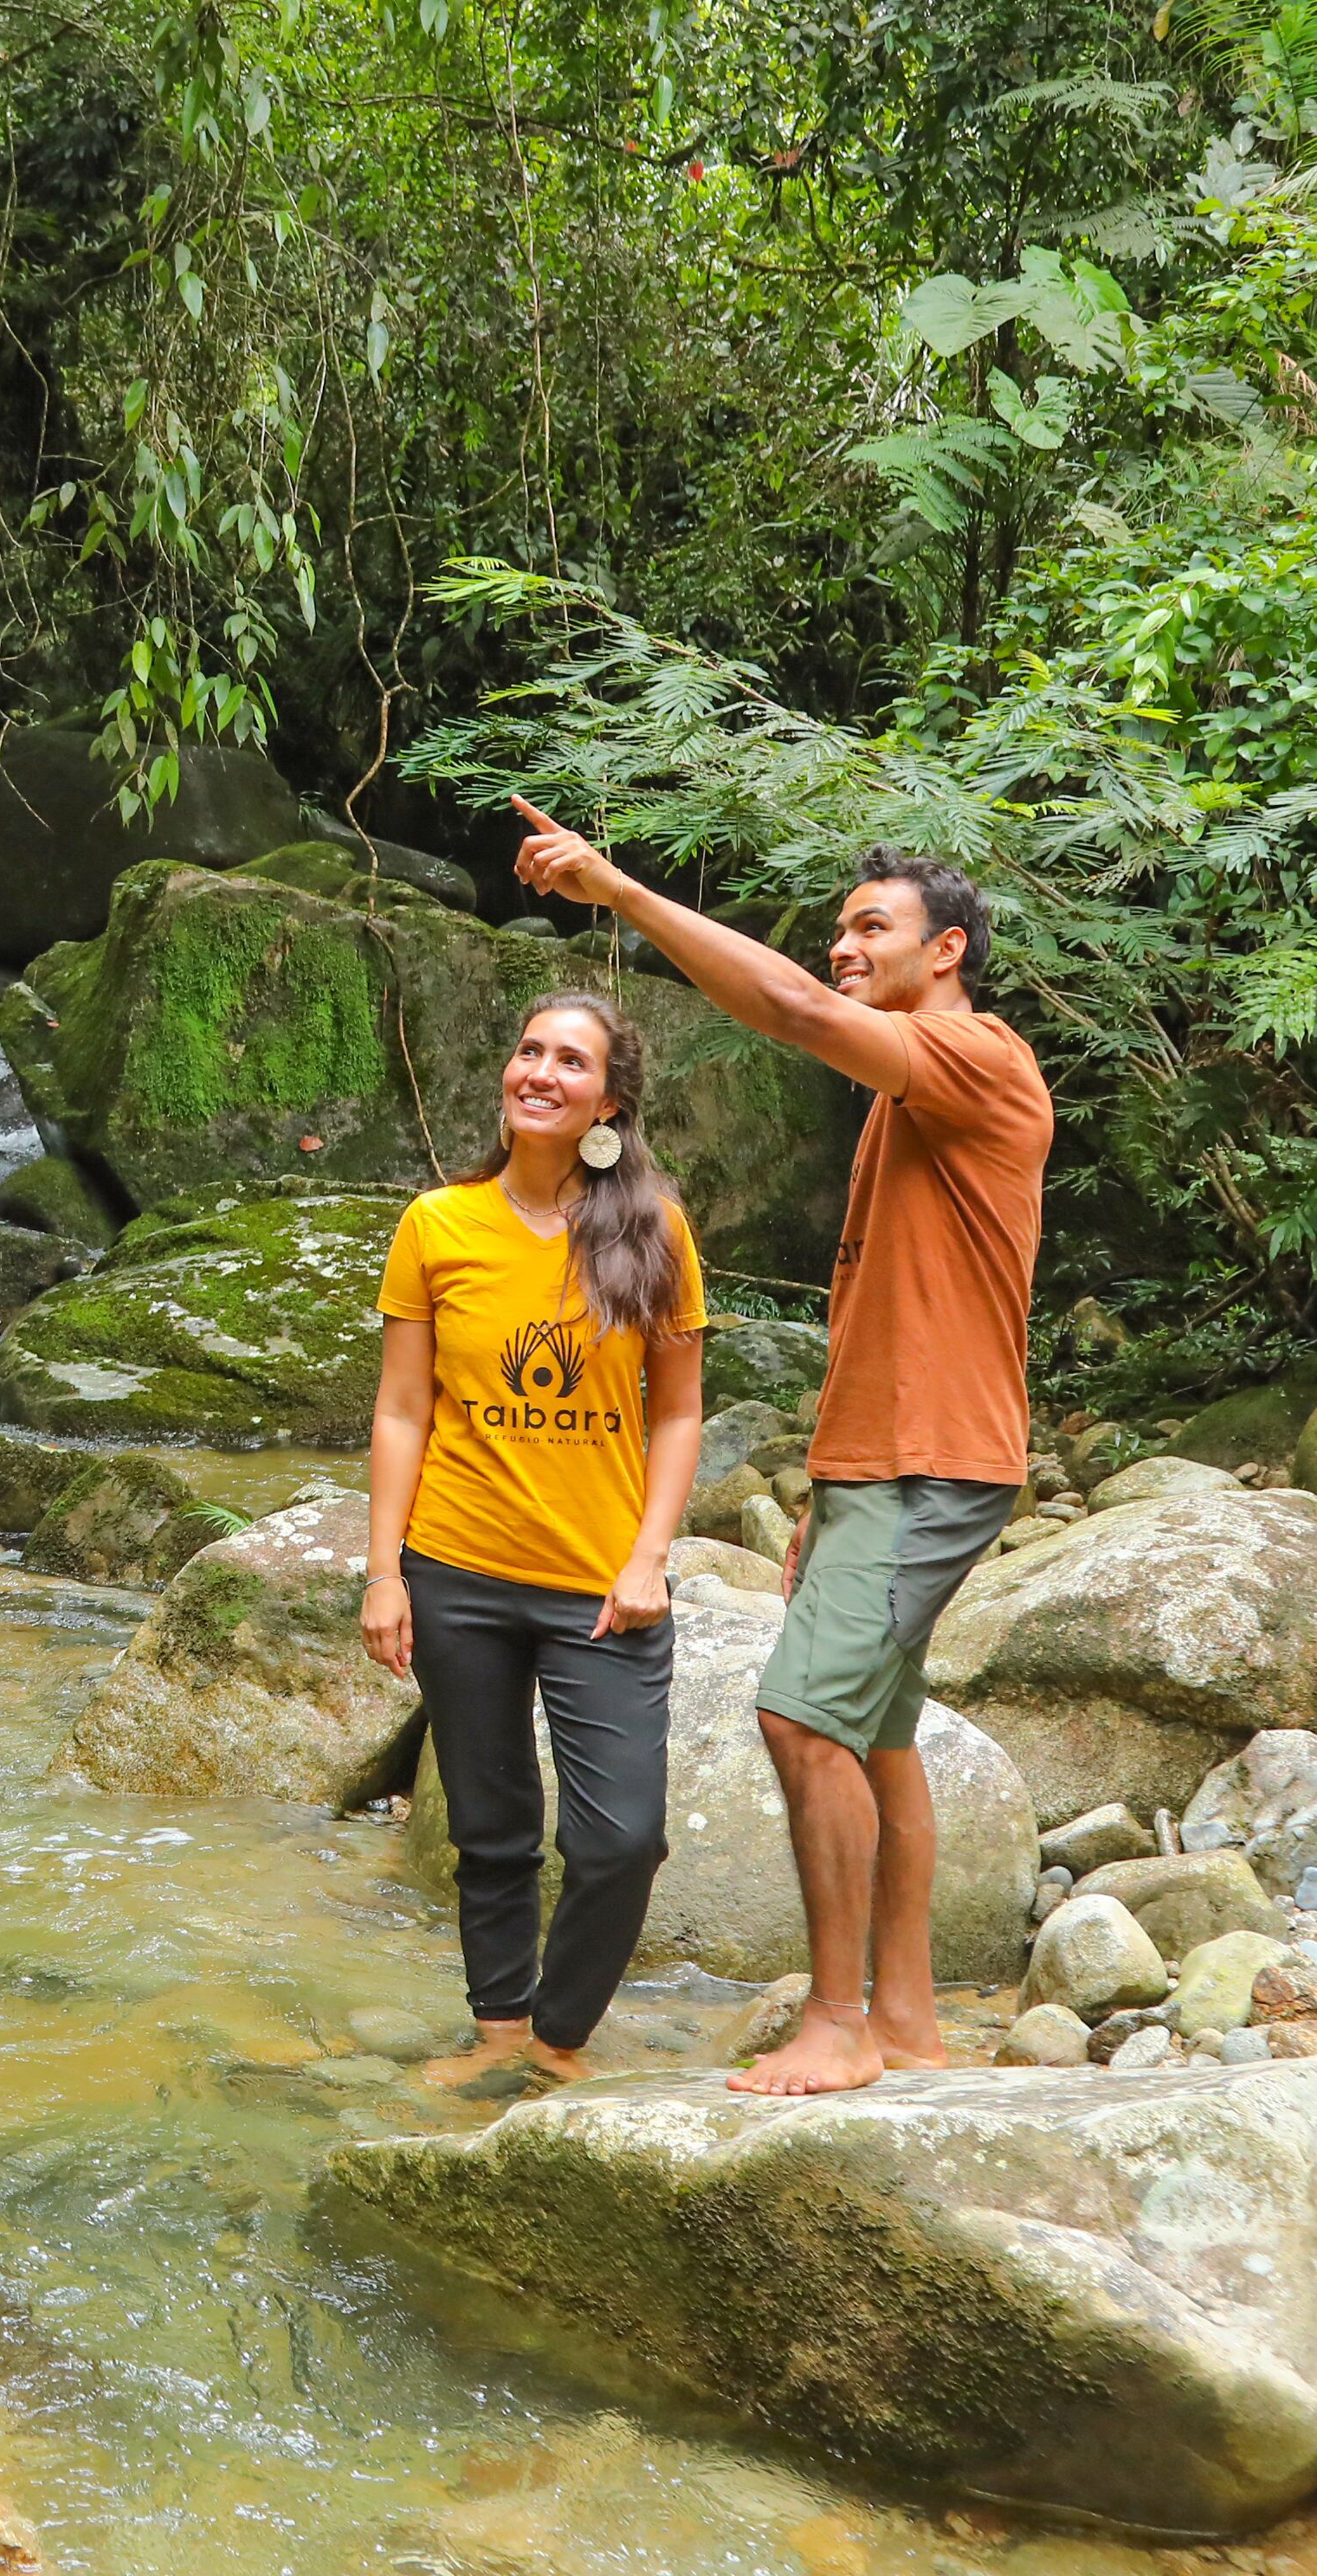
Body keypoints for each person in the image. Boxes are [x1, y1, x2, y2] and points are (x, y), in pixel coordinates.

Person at [507, 805, 1051, 2097]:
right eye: (840, 930)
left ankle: (835, 2023)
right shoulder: (912, 1093)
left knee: (799, 1716)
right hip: (886, 1466)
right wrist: (827, 1480)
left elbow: (798, 1012)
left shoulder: (975, 1054)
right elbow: (889, 1314)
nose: (846, 948)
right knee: (873, 1736)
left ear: (951, 950)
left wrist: (621, 893)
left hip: (936, 1464)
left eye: (874, 928)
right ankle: (906, 2020)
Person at [358, 992, 709, 2093]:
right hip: (456, 1568)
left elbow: (679, 1412)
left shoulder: (652, 1226)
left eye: (571, 1061)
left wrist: (650, 1554)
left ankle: (560, 2042)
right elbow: (402, 1410)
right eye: (527, 1051)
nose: (540, 1072)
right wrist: (383, 1573)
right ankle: (500, 2038)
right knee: (492, 1828)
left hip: (599, 1584)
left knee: (621, 1843)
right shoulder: (438, 1224)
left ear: (609, 1101)